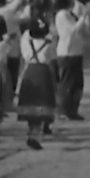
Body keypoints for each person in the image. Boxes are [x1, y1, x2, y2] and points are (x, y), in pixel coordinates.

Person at [17, 17, 56, 150]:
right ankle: (35, 135)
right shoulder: (49, 44)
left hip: (29, 71)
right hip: (43, 73)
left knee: (31, 105)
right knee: (42, 106)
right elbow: (52, 58)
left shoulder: (25, 42)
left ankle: (31, 131)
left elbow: (23, 54)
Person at [52, 0, 89, 120]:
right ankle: (62, 110)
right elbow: (72, 31)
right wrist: (83, 17)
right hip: (67, 53)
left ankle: (73, 110)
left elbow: (83, 30)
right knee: (67, 83)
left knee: (77, 84)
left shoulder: (71, 15)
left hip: (76, 52)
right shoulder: (62, 15)